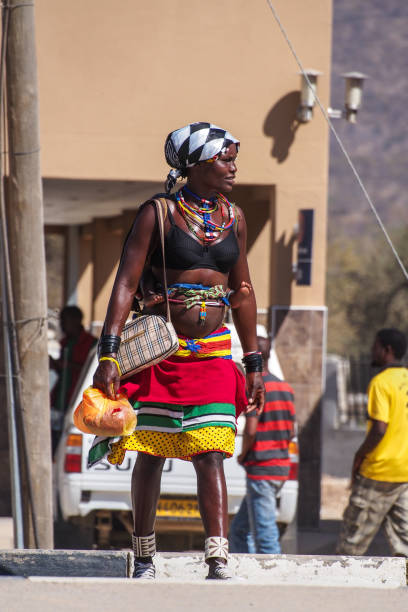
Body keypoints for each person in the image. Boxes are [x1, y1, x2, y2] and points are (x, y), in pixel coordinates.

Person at [92, 122, 265, 580]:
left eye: (232, 159)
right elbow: (127, 282)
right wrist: (109, 351)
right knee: (151, 452)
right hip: (160, 353)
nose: (233, 167)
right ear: (198, 164)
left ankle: (217, 555)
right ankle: (145, 555)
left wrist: (253, 362)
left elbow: (243, 291)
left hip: (212, 353)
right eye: (225, 159)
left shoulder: (235, 217)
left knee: (211, 452)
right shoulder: (159, 213)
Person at [337, 328, 408, 557]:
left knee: (352, 542)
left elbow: (379, 429)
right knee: (404, 544)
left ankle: (341, 587)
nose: (371, 351)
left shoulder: (381, 382)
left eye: (375, 346)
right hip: (404, 474)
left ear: (387, 350)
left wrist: (359, 456)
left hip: (378, 472)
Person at [228, 335, 296, 554]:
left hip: (262, 467)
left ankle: (271, 572)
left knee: (264, 532)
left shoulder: (257, 388)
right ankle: (242, 566)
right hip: (280, 465)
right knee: (239, 530)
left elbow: (250, 430)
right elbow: (292, 430)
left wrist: (243, 454)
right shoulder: (286, 388)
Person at [50, 305, 97, 452]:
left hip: (79, 399)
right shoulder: (65, 342)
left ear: (76, 320)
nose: (62, 325)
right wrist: (55, 365)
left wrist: (66, 365)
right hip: (61, 399)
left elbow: (89, 370)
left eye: (65, 321)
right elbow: (63, 371)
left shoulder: (92, 343)